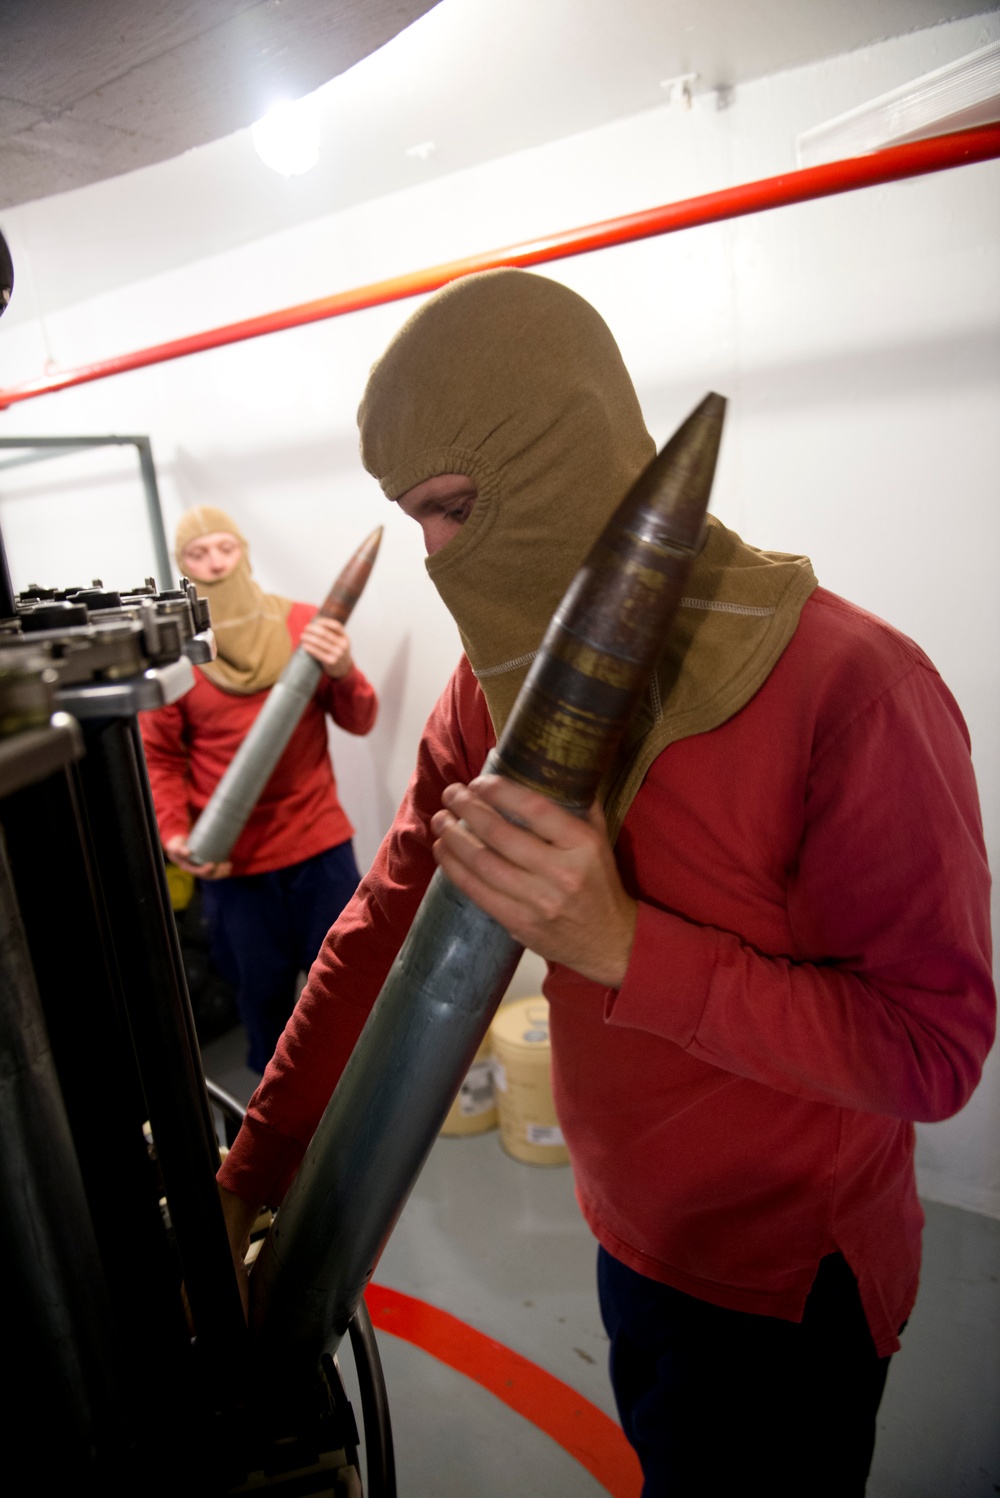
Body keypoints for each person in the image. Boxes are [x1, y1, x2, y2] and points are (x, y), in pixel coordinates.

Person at [215, 271, 994, 1494]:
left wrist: (623, 943)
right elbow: (381, 933)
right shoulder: (492, 692)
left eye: (457, 508)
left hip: (788, 1287)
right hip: (631, 1240)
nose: (435, 556)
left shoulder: (854, 689)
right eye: (413, 518)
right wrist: (251, 1172)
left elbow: (930, 1051)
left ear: (562, 453)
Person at [140, 505, 378, 1073]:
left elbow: (361, 717)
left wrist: (343, 668)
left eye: (225, 548)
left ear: (244, 550)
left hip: (319, 849)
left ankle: (350, 1106)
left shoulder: (303, 625)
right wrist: (174, 832)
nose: (216, 564)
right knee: (263, 1000)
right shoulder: (179, 655)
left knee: (343, 989)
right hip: (235, 867)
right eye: (199, 554)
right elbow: (161, 758)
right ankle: (279, 1128)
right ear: (182, 566)